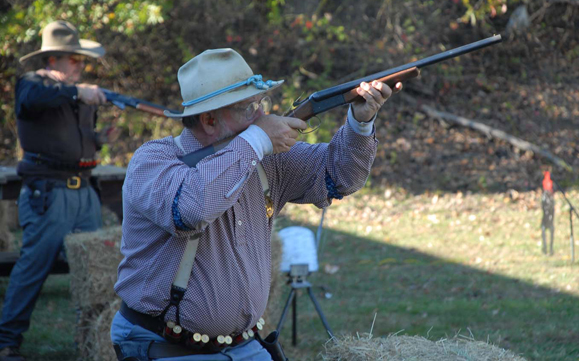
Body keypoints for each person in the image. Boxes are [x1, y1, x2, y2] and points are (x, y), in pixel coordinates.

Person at [111, 48, 401, 360]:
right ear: (209, 120)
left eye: (260, 103)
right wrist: (256, 141)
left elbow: (340, 175)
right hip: (166, 346)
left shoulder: (266, 160)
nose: (262, 116)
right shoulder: (154, 160)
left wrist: (360, 121)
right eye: (249, 108)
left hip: (245, 345)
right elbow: (191, 209)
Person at [0, 21, 116, 361]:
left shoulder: (74, 94)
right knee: (34, 267)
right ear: (53, 60)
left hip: (83, 191)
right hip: (48, 193)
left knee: (95, 267)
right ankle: (6, 341)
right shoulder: (34, 84)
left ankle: (93, 342)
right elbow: (33, 99)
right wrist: (78, 91)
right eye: (74, 59)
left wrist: (99, 140)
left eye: (81, 60)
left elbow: (75, 140)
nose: (80, 65)